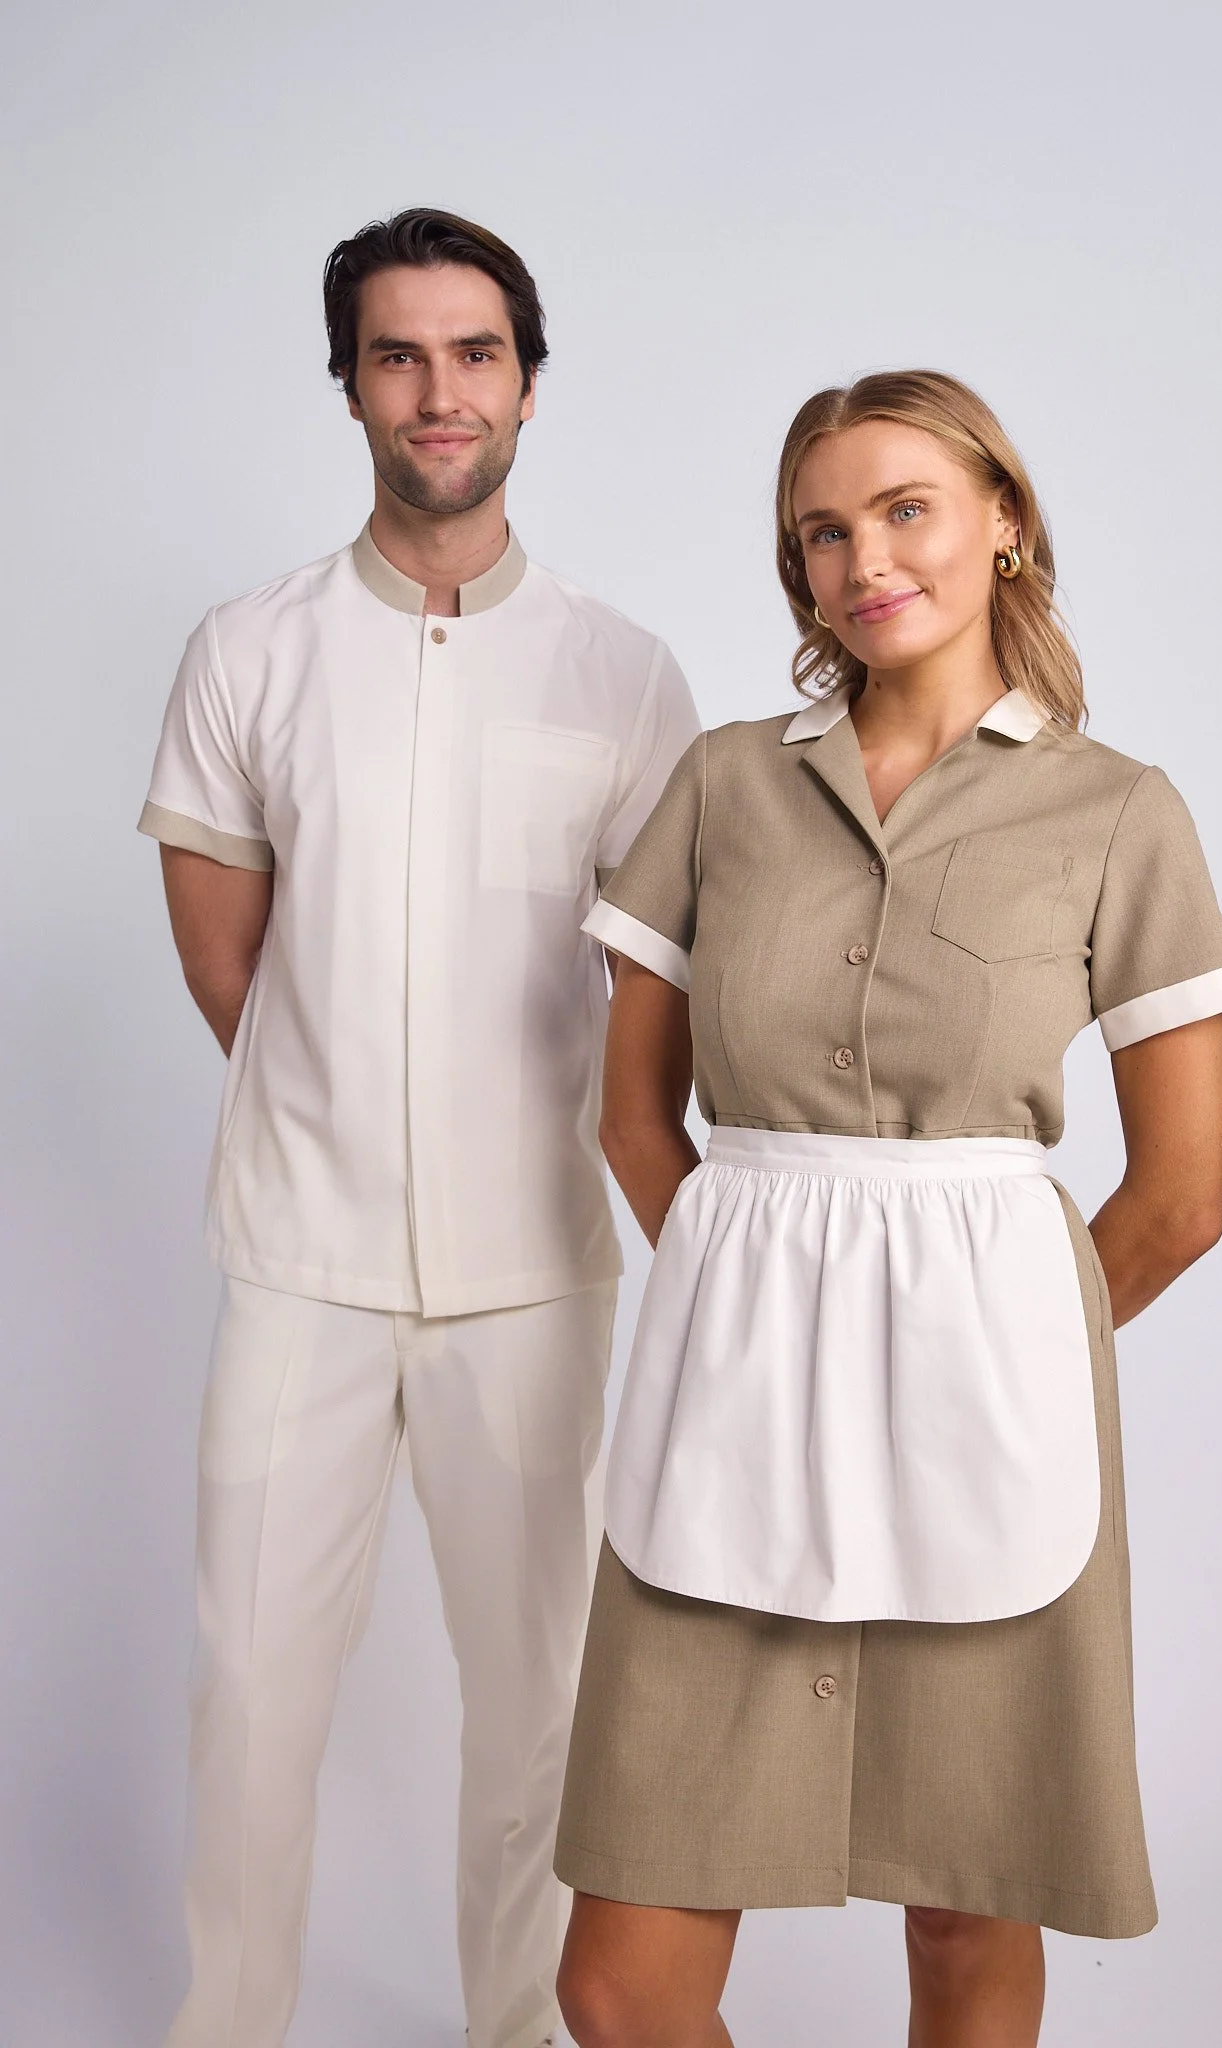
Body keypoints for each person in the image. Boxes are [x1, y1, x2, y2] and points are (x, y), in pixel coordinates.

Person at [550, 370, 1222, 2048]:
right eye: (821, 530)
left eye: (904, 508)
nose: (863, 559)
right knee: (615, 1980)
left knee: (962, 1920)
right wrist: (752, 1312)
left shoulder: (1116, 813)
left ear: (1002, 520)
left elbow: (1179, 1198)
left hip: (992, 1425)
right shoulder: (725, 786)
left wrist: (998, 1348)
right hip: (730, 1411)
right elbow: (632, 1117)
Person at [139, 207, 697, 2048]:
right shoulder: (252, 651)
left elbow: (652, 1006)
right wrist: (347, 1118)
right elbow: (233, 968)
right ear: (350, 386)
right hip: (296, 1266)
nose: (437, 390)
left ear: (526, 382)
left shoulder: (624, 679)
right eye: (398, 353)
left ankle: (515, 2036)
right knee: (251, 1701)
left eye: (473, 353)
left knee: (538, 1713)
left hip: (535, 1276)